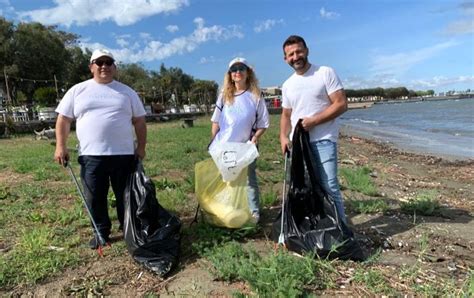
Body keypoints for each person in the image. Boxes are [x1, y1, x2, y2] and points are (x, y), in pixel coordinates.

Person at [54, 49, 147, 248]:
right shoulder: (78, 91)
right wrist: (60, 146)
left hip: (123, 155)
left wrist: (141, 146)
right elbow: (63, 119)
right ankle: (101, 232)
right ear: (91, 67)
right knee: (95, 196)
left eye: (108, 62)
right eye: (99, 62)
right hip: (91, 156)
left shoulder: (127, 92)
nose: (104, 66)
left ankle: (129, 228)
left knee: (126, 195)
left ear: (114, 67)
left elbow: (139, 121)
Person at [279, 35, 349, 224]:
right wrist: (283, 138)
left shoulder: (325, 72)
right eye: (290, 54)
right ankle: (318, 225)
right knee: (305, 186)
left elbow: (341, 104)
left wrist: (314, 121)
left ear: (307, 50)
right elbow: (286, 115)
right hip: (299, 145)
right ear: (286, 59)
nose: (296, 57)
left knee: (329, 185)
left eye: (299, 51)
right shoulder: (287, 85)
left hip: (324, 139)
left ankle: (341, 229)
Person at [210, 57, 270, 223]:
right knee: (229, 179)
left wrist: (255, 139)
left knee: (249, 180)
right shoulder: (224, 96)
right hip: (225, 147)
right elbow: (215, 121)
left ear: (247, 72)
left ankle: (253, 212)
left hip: (246, 148)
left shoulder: (256, 96)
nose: (237, 72)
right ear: (230, 75)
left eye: (241, 68)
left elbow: (263, 123)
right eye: (233, 69)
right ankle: (232, 210)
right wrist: (213, 143)